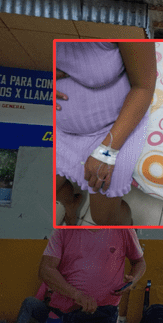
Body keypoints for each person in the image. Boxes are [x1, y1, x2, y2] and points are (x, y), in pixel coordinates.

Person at [55, 41, 157, 226]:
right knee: (49, 185)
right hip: (60, 130)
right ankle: (71, 203)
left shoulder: (122, 21)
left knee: (103, 218)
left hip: (115, 126)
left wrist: (106, 151)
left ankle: (127, 233)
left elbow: (144, 86)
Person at [38, 229, 146, 323]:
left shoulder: (124, 230)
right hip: (62, 319)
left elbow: (139, 262)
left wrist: (132, 281)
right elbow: (46, 270)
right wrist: (77, 294)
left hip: (104, 320)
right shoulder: (65, 230)